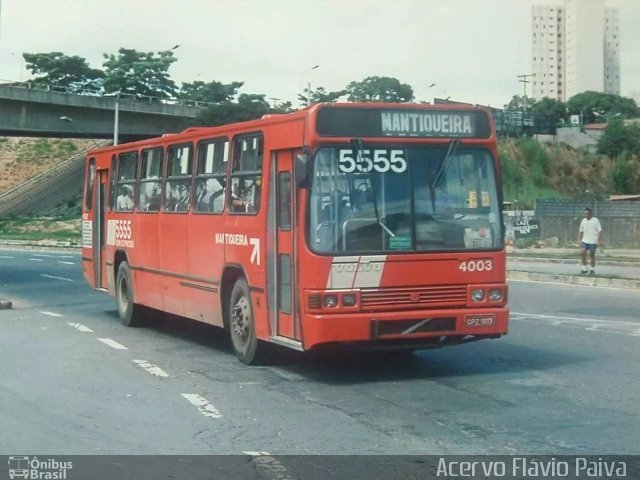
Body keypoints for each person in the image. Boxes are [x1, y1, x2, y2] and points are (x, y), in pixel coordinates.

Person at [577, 207, 602, 276]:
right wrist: (579, 239)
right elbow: (580, 230)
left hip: (593, 241)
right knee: (582, 253)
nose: (585, 215)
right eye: (584, 213)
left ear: (590, 214)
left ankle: (592, 269)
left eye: (587, 213)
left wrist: (599, 239)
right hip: (585, 240)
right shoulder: (583, 220)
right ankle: (584, 268)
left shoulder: (595, 220)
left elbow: (600, 230)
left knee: (592, 254)